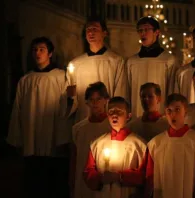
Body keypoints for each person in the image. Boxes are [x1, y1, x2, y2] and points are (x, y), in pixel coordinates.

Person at [7, 36, 70, 197]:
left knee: (54, 184)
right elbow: (18, 110)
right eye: (35, 49)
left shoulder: (61, 77)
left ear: (50, 53)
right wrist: (17, 137)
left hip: (53, 139)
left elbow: (66, 108)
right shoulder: (26, 80)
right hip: (31, 139)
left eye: (42, 49)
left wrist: (63, 138)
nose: (37, 53)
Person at [145, 93, 195, 198]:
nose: (173, 115)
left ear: (186, 111)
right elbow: (150, 178)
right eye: (169, 111)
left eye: (177, 110)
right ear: (165, 114)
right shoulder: (155, 143)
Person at [67, 16, 127, 123]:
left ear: (104, 33)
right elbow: (71, 99)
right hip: (84, 118)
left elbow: (120, 92)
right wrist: (70, 97)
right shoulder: (76, 64)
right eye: (88, 30)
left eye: (95, 29)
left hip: (108, 120)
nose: (91, 33)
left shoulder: (116, 61)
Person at [83, 97, 147, 198]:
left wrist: (120, 176)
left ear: (128, 116)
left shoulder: (139, 145)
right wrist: (100, 178)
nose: (114, 115)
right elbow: (88, 172)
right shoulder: (97, 144)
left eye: (119, 111)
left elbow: (145, 174)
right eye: (111, 111)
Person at [127, 16, 179, 117]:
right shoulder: (132, 62)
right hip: (137, 114)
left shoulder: (168, 60)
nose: (143, 33)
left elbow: (172, 90)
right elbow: (128, 91)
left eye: (146, 29)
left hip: (161, 115)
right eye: (140, 30)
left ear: (157, 32)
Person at [69, 81, 110, 198]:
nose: (95, 103)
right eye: (92, 100)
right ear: (87, 102)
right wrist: (72, 180)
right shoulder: (78, 128)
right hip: (82, 179)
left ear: (106, 100)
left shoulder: (111, 126)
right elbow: (74, 157)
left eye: (99, 99)